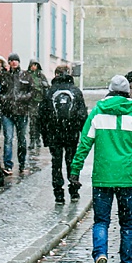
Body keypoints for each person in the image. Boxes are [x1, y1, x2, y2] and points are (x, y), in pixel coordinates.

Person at [70, 74, 132, 263]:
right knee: (127, 224)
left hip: (102, 177)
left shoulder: (98, 113)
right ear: (128, 93)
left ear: (109, 91)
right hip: (127, 178)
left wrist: (75, 171)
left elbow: (84, 144)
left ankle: (100, 254)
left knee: (101, 221)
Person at [36, 63, 87, 203]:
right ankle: (74, 190)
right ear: (69, 73)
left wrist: (45, 137)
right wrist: (83, 134)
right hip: (71, 133)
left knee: (56, 163)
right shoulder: (76, 91)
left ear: (56, 75)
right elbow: (83, 115)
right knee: (71, 162)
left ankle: (58, 193)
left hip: (54, 134)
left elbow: (42, 116)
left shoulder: (50, 91)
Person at [0, 53, 36, 174]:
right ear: (8, 63)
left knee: (22, 139)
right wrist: (4, 98)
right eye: (12, 60)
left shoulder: (26, 75)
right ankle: (8, 165)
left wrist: (22, 98)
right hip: (7, 112)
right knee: (8, 139)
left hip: (22, 112)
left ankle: (22, 164)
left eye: (16, 60)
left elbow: (32, 91)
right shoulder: (4, 76)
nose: (14, 62)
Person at [23, 60, 47, 155]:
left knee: (39, 122)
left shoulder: (41, 76)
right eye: (32, 65)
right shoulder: (27, 75)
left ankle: (38, 139)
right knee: (32, 122)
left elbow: (46, 86)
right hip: (31, 102)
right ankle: (32, 140)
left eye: (35, 65)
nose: (34, 67)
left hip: (40, 101)